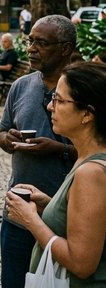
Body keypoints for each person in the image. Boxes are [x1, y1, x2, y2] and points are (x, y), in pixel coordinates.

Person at [6, 62, 106, 285]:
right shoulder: (88, 159)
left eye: (59, 100)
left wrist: (30, 219)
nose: (50, 107)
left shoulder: (91, 173)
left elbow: (81, 264)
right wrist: (50, 205)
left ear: (87, 114)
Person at [0, 15, 78, 288]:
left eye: (41, 43)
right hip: (18, 215)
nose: (31, 49)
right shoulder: (21, 85)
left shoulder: (83, 91)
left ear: (65, 48)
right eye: (30, 41)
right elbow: (3, 132)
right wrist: (9, 139)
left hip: (63, 218)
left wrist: (58, 149)